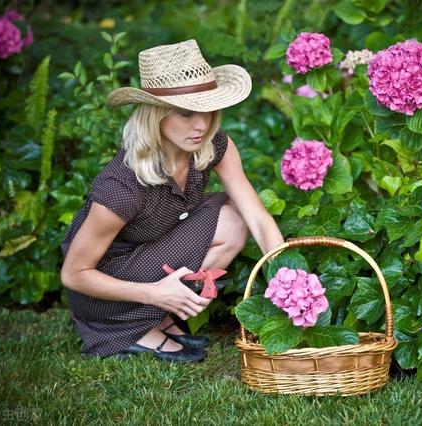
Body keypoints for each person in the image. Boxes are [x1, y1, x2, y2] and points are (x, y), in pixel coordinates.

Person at [60, 39, 285, 362]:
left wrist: (285, 277)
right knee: (225, 220)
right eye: (186, 113)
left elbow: (255, 215)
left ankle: (161, 316)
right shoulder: (121, 185)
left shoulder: (212, 146)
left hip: (149, 254)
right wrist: (154, 292)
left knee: (235, 218)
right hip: (104, 289)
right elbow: (74, 273)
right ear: (155, 115)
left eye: (207, 110)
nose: (201, 124)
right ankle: (137, 325)